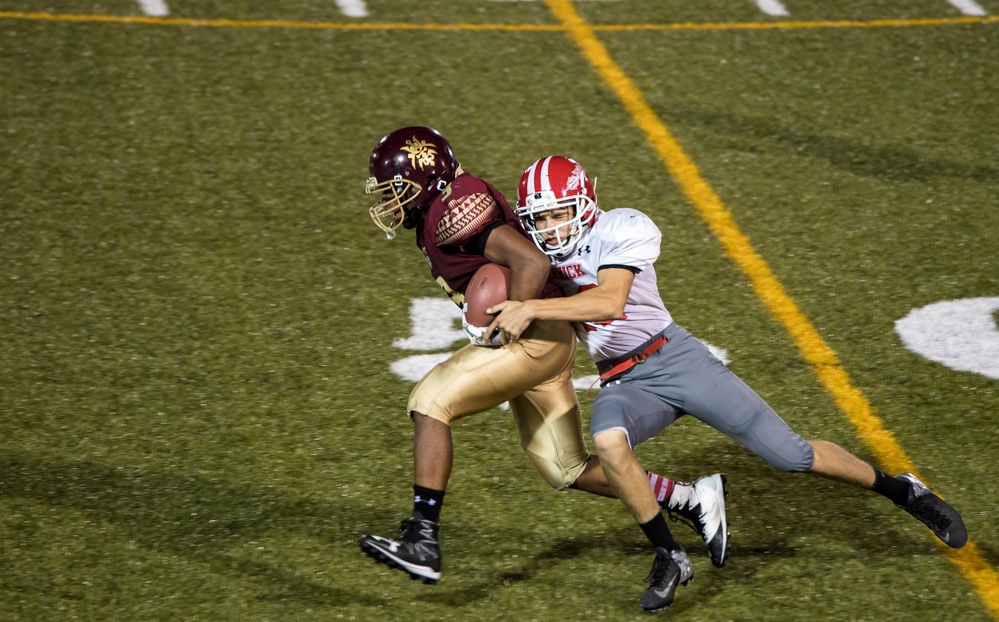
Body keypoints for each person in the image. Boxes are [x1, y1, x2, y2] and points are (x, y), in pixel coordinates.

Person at [488, 154, 968, 613]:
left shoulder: (619, 226)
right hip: (624, 379)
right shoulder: (541, 261)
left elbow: (611, 301)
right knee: (609, 443)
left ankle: (903, 491)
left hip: (673, 357)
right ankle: (668, 553)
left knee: (791, 455)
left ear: (586, 203)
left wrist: (532, 306)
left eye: (559, 215)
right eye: (541, 219)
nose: (551, 229)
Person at [357, 127, 729, 585]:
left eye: (399, 190)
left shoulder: (453, 210)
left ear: (427, 179)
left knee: (430, 402)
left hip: (533, 341)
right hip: (546, 342)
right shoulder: (445, 204)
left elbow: (532, 263)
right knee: (564, 467)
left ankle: (423, 538)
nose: (392, 203)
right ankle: (692, 500)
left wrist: (509, 320)